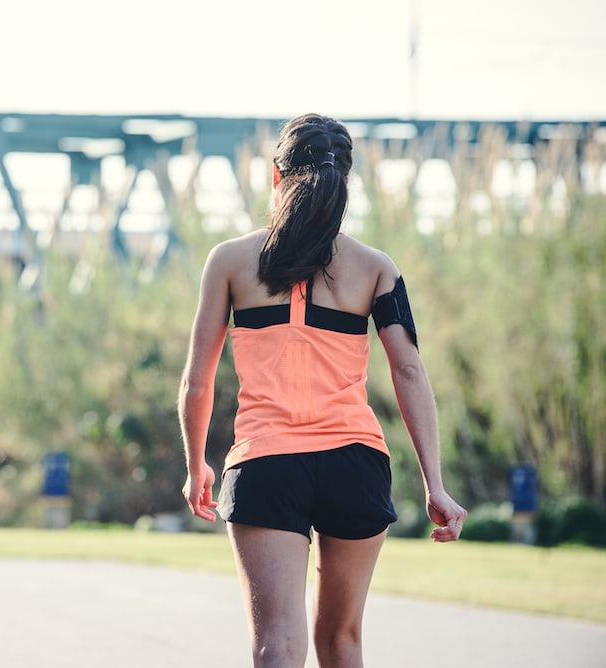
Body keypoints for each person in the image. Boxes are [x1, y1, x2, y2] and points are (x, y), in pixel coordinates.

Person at [177, 113, 467, 668]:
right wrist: (436, 485)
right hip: (354, 463)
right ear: (347, 184)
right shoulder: (375, 268)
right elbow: (409, 371)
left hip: (266, 463)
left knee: (277, 645)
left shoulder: (230, 261)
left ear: (276, 176)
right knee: (342, 642)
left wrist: (196, 467)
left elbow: (198, 381)